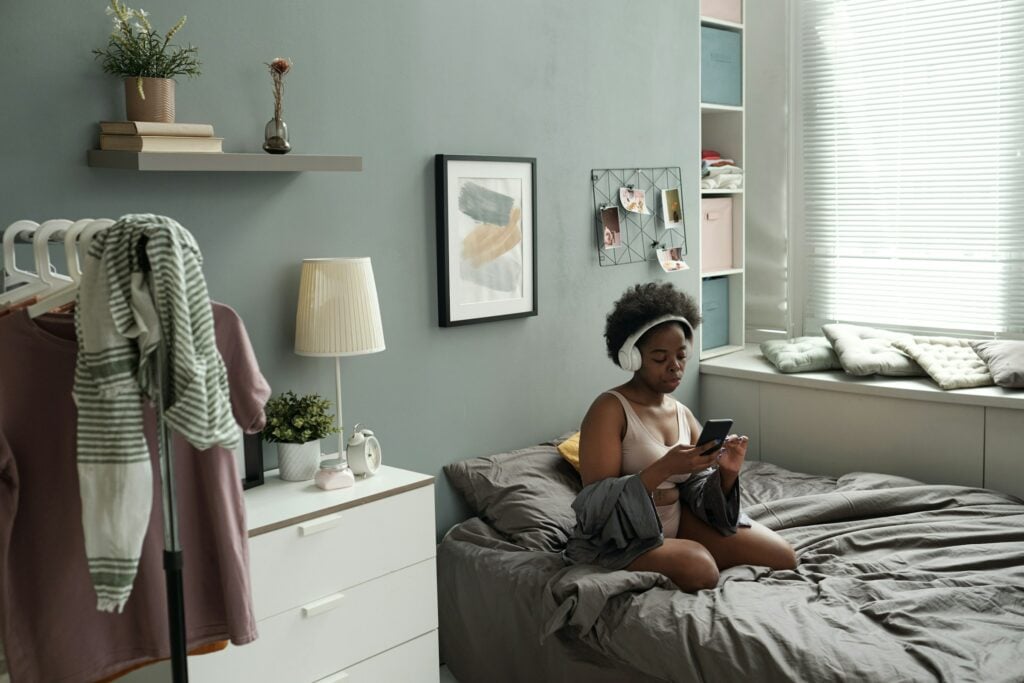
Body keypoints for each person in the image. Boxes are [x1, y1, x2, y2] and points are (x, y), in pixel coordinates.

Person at [578, 282, 797, 592]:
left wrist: (727, 474)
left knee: (782, 556)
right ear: (633, 358)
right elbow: (594, 505)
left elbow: (697, 491)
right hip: (622, 537)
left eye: (681, 355)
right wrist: (664, 467)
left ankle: (678, 550)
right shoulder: (610, 410)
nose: (675, 366)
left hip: (678, 519)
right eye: (659, 358)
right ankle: (675, 554)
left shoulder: (682, 413)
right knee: (701, 568)